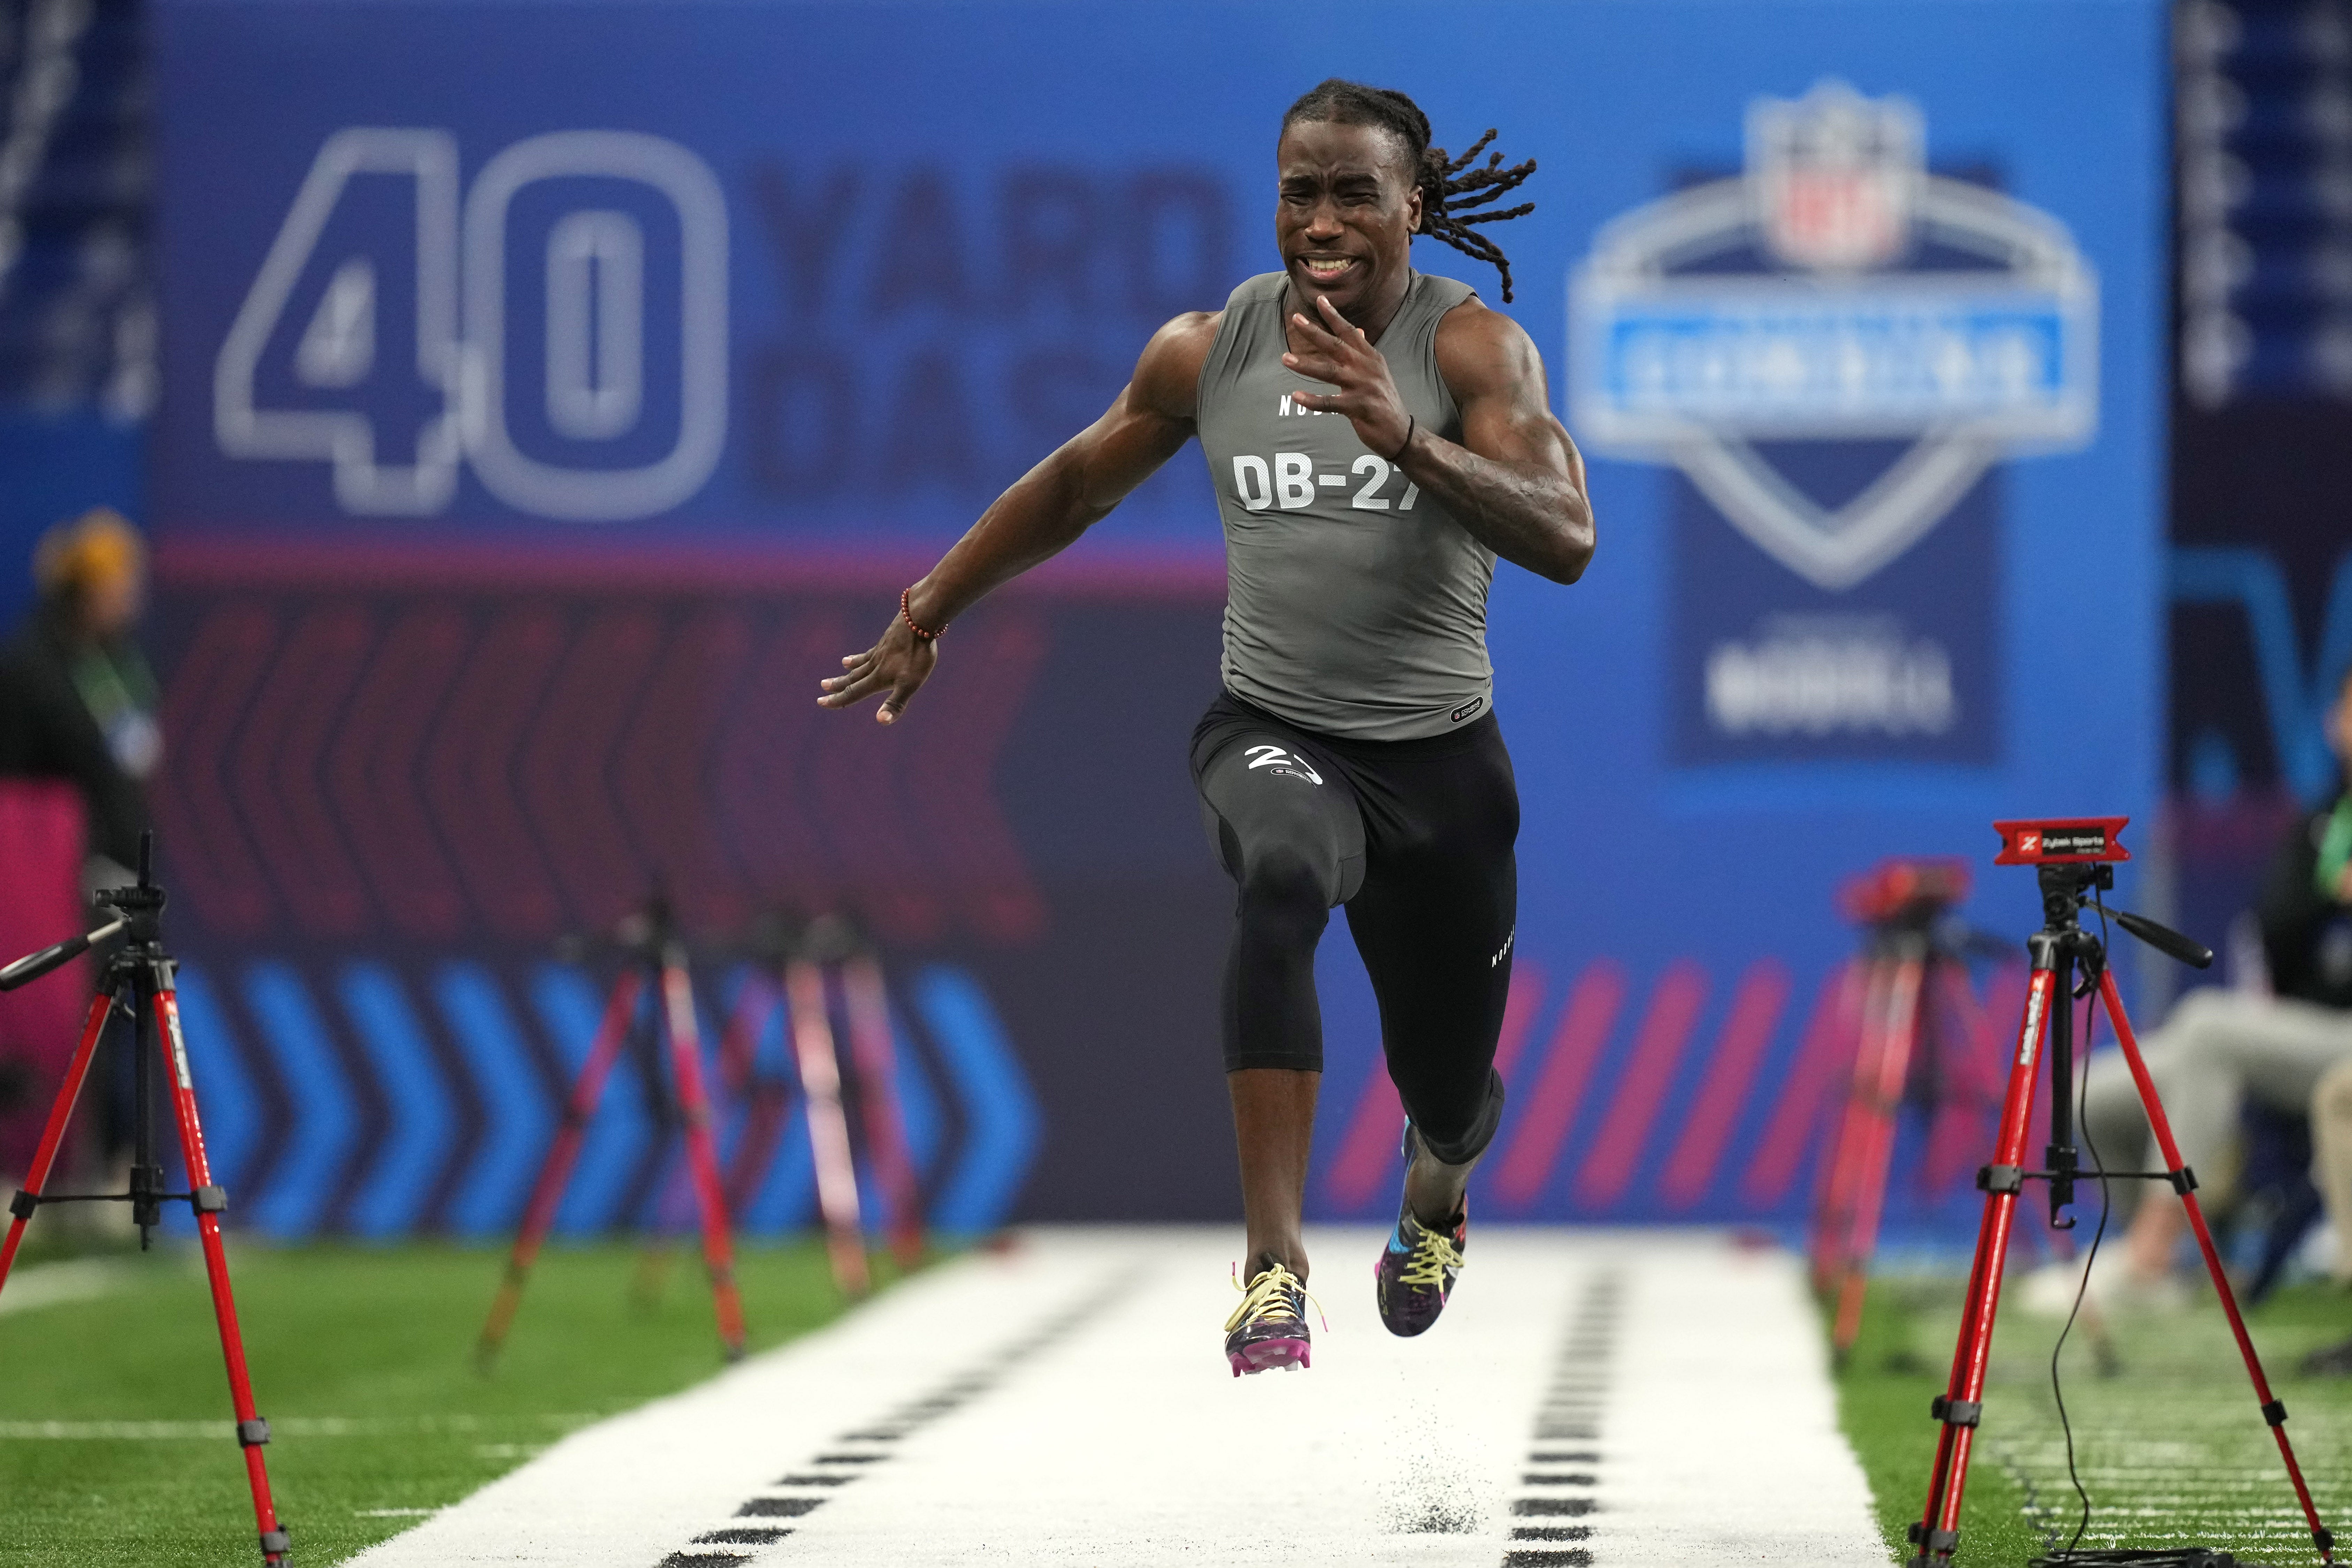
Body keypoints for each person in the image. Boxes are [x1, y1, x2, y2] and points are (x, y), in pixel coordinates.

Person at [819, 80, 1593, 1374]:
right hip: (1271, 726)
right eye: (1302, 189)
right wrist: (933, 604)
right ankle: (1273, 1274)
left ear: (1415, 204)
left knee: (1452, 1097)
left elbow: (1566, 537)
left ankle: (1435, 1197)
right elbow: (1077, 481)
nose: (1325, 217)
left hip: (1442, 769)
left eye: (1356, 191)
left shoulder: (1472, 355)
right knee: (1280, 872)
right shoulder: (1211, 348)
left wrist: (1402, 436)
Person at [2027, 661, 2352, 1316]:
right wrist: (2330, 889)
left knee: (2206, 1025)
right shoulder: (2326, 819)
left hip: (2339, 1038)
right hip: (2295, 1027)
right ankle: (2176, 1265)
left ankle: (2150, 1254)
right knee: (2094, 1093)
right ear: (2333, 723)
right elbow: (2275, 922)